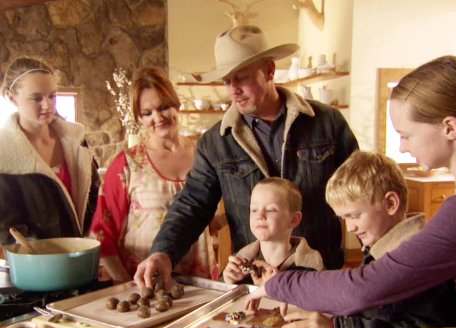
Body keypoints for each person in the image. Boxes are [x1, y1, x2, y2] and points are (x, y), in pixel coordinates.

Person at [246, 55, 456, 328]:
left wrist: (278, 285)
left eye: (406, 135)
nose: (403, 146)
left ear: (450, 128)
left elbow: (363, 288)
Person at [134, 24, 359, 289]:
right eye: (227, 81)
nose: (232, 91)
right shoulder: (215, 142)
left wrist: (373, 260)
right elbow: (192, 205)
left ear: (270, 70)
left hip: (321, 279)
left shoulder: (326, 123)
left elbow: (361, 196)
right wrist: (163, 251)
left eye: (241, 78)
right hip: (253, 282)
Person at [277, 151, 456, 328]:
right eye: (344, 218)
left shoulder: (417, 260)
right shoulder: (380, 248)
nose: (350, 227)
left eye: (355, 215)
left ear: (390, 204)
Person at [90, 66, 217, 282]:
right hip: (144, 287)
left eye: (163, 107)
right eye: (147, 113)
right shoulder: (127, 165)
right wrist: (125, 284)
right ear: (138, 119)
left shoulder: (204, 156)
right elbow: (102, 234)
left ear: (176, 105)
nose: (157, 118)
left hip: (200, 283)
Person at [0, 56, 99, 244]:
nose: (47, 105)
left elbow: (95, 197)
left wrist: (92, 240)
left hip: (85, 255)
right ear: (12, 98)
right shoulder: (3, 151)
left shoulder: (77, 140)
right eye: (36, 98)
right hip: (35, 262)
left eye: (52, 96)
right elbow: (7, 225)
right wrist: (49, 255)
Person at [222, 177, 323, 285]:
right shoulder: (242, 258)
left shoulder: (311, 264)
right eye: (254, 210)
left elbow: (316, 299)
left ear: (294, 220)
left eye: (270, 210)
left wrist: (276, 287)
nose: (259, 216)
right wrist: (229, 281)